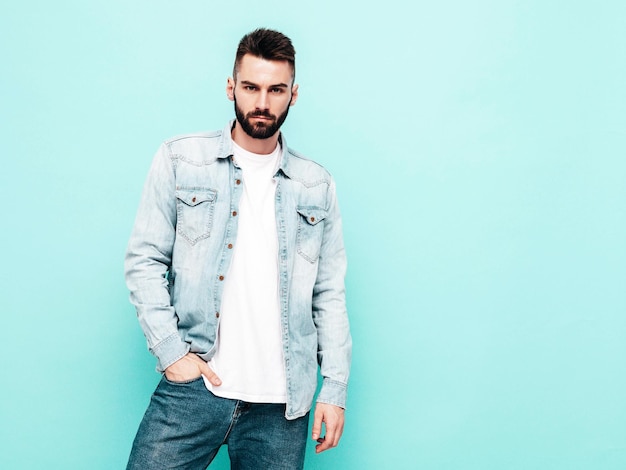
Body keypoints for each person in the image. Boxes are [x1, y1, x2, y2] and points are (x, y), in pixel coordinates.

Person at [124, 28, 351, 469]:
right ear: (231, 87)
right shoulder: (180, 159)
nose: (262, 102)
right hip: (196, 389)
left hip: (281, 408)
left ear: (293, 94)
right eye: (250, 87)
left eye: (275, 89)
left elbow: (329, 295)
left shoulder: (316, 185)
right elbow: (144, 261)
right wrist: (171, 352)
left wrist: (335, 389)